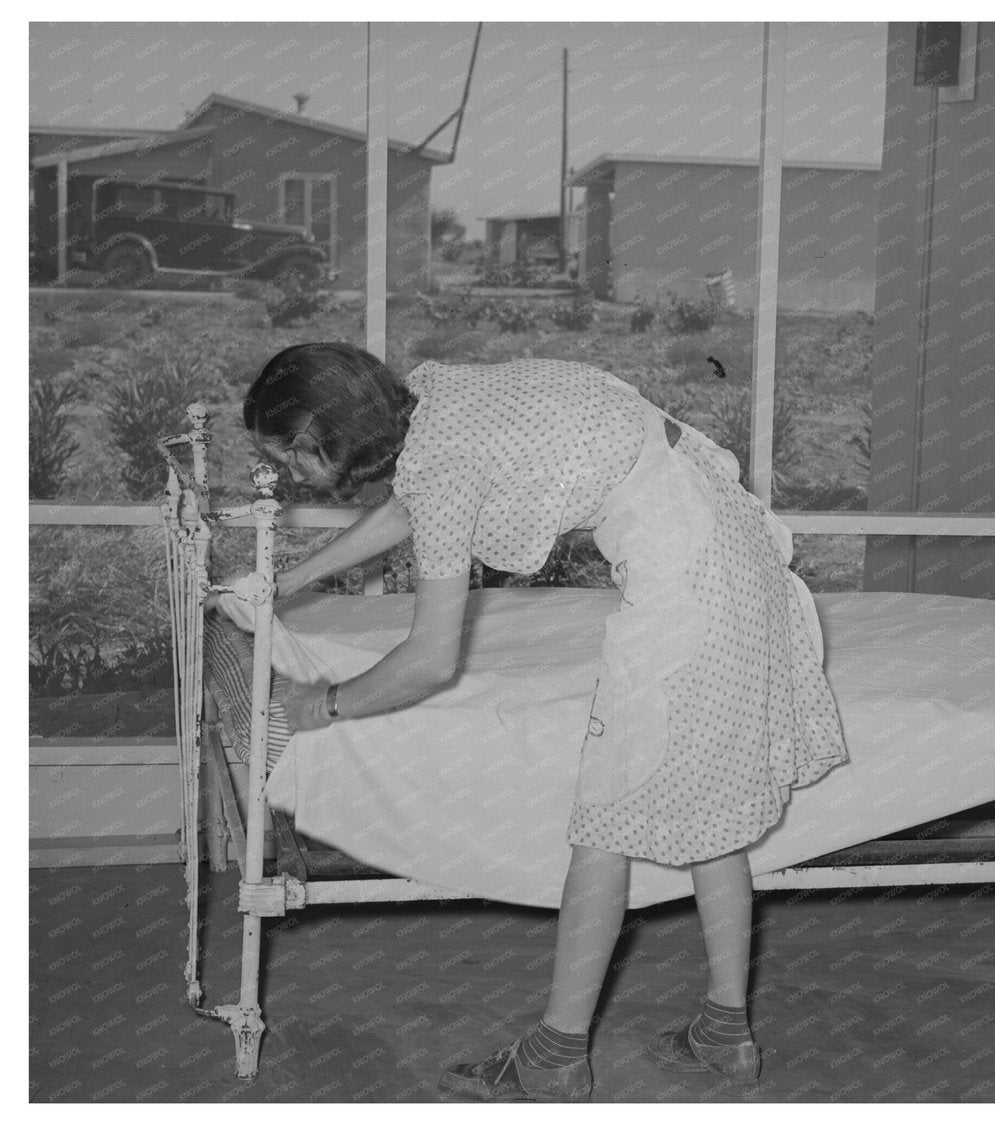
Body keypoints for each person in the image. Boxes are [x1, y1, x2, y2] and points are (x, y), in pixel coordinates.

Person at [225, 342, 848, 1102]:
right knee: (709, 806)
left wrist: (322, 704)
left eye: (290, 453)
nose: (290, 473)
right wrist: (287, 579)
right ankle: (726, 1030)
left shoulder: (445, 466)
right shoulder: (435, 398)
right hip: (724, 537)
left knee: (604, 820)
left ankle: (556, 1054)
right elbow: (409, 504)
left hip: (693, 576)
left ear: (330, 433)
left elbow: (429, 659)